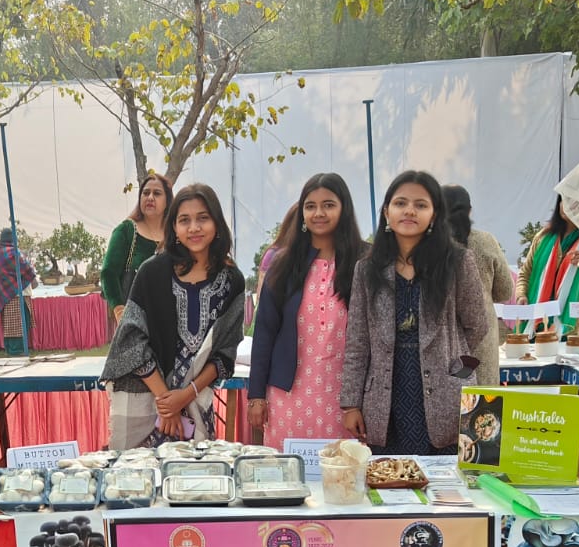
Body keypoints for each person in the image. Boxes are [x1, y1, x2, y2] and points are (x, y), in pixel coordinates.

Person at [340, 170, 489, 454]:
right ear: (387, 212)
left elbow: (477, 326)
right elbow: (357, 343)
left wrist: (458, 377)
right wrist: (350, 403)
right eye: (400, 203)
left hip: (444, 396)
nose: (409, 211)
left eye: (421, 205)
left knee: (443, 486)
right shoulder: (367, 269)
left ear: (434, 215)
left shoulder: (457, 262)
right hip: (387, 396)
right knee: (392, 479)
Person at [100, 183, 245, 448]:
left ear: (217, 224)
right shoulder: (151, 273)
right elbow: (132, 341)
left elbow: (225, 352)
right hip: (147, 400)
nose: (194, 228)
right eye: (184, 220)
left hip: (197, 404)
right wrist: (166, 402)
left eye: (203, 218)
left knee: (194, 482)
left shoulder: (232, 280)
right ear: (174, 228)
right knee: (141, 482)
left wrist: (186, 395)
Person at [247, 174, 365, 445]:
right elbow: (264, 332)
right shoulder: (283, 266)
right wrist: (256, 396)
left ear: (343, 208)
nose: (318, 213)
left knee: (343, 476)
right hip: (289, 395)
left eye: (328, 205)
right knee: (288, 477)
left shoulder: (363, 263)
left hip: (346, 400)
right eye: (310, 206)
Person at [443, 185, 516, 386]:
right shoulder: (486, 241)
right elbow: (505, 291)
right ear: (470, 210)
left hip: (444, 343)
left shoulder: (428, 246)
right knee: (484, 411)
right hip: (483, 344)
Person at [100, 173, 171, 327]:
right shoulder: (126, 230)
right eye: (146, 193)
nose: (150, 197)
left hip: (169, 321)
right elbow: (108, 273)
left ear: (168, 201)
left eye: (157, 193)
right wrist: (120, 312)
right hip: (134, 323)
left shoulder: (175, 235)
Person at [521, 197, 579, 335]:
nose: (566, 205)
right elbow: (525, 273)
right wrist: (521, 295)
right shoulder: (543, 237)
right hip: (541, 323)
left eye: (574, 200)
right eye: (564, 199)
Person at [0, 228, 38, 354]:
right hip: (18, 293)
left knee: (10, 325)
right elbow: (27, 270)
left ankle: (10, 349)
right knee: (19, 324)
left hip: (4, 294)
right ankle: (18, 350)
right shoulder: (14, 253)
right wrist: (33, 278)